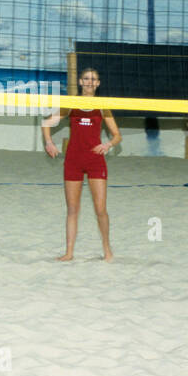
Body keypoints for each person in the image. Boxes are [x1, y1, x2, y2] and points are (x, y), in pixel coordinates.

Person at [42, 67, 121, 261]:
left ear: (98, 83)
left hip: (95, 160)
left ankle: (107, 249)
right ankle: (69, 253)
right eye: (86, 78)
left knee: (100, 209)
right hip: (74, 160)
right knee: (72, 209)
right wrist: (49, 142)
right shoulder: (71, 104)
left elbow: (117, 135)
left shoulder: (102, 106)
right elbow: (46, 123)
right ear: (80, 82)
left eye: (93, 79)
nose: (89, 82)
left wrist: (108, 144)